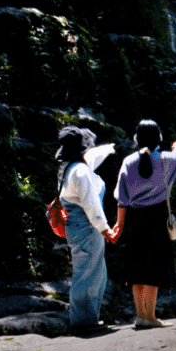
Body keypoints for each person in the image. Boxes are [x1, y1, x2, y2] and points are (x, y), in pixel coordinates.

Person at [115, 119, 176, 329]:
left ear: (136, 139)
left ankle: (140, 315)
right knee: (154, 267)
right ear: (158, 139)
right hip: (157, 218)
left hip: (135, 220)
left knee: (137, 267)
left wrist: (118, 225)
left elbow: (122, 199)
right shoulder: (166, 160)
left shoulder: (128, 162)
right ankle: (151, 317)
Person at [56, 126, 116, 333]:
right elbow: (91, 204)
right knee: (89, 273)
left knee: (89, 271)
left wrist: (109, 148)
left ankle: (87, 319)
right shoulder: (81, 172)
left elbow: (94, 158)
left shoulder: (69, 167)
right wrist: (106, 230)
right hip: (88, 227)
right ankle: (84, 323)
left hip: (77, 227)